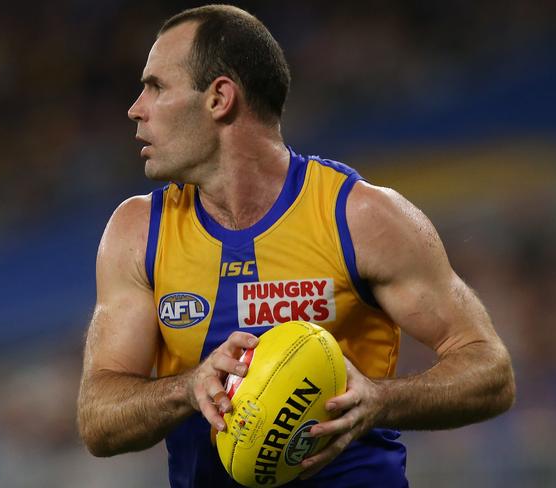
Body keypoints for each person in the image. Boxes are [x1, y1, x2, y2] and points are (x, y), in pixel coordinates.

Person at [77, 5, 515, 487]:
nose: (135, 108)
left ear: (220, 97)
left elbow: (490, 371)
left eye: (156, 87)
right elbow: (98, 419)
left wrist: (380, 401)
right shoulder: (138, 232)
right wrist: (187, 388)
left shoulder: (358, 216)